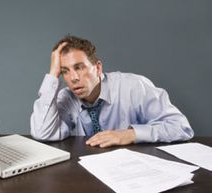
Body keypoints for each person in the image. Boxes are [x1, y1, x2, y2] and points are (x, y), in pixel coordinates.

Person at [30, 35, 194, 148]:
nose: (73, 78)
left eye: (79, 68)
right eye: (65, 71)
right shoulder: (67, 97)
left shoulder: (134, 87)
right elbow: (43, 133)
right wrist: (52, 75)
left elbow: (181, 127)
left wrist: (130, 135)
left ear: (98, 68)